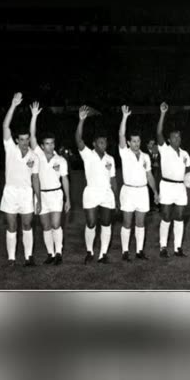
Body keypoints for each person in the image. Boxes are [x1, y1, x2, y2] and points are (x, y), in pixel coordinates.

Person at [1, 92, 41, 267]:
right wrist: (13, 105)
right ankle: (11, 258)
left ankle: (28, 257)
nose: (25, 142)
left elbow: (36, 178)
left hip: (26, 193)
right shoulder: (10, 148)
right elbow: (5, 126)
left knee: (27, 225)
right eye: (22, 139)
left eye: (27, 139)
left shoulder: (34, 157)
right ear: (16, 140)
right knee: (11, 226)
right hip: (10, 191)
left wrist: (38, 199)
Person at [75, 105, 118, 264]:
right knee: (91, 223)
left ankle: (103, 254)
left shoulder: (110, 159)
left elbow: (113, 180)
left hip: (107, 193)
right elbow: (78, 140)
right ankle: (90, 251)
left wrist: (116, 198)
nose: (103, 144)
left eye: (105, 142)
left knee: (106, 223)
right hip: (91, 192)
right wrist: (81, 120)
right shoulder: (88, 155)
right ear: (94, 144)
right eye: (100, 142)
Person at [29, 101, 71, 265]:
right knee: (45, 226)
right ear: (42, 145)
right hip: (41, 195)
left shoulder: (61, 160)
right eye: (47, 143)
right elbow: (32, 136)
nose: (50, 146)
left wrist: (68, 199)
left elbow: (65, 179)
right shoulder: (38, 155)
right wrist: (34, 116)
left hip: (56, 194)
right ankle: (50, 254)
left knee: (55, 224)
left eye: (52, 143)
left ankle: (59, 253)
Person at [118, 105, 159, 261]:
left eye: (138, 141)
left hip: (142, 192)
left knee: (141, 223)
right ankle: (125, 251)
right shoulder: (124, 153)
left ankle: (139, 251)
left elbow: (149, 176)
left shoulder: (145, 157)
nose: (136, 143)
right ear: (129, 143)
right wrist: (124, 117)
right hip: (128, 191)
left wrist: (155, 192)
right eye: (133, 141)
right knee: (127, 222)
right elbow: (121, 134)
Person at [156, 102, 190, 257]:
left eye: (179, 136)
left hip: (180, 188)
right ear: (169, 139)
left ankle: (178, 248)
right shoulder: (164, 149)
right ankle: (163, 247)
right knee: (166, 216)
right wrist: (163, 113)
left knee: (179, 217)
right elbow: (159, 132)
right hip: (166, 186)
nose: (177, 139)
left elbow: (188, 173)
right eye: (174, 137)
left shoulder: (185, 154)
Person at [146, 138, 160, 210]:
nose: (153, 145)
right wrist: (152, 165)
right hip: (148, 176)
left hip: (157, 176)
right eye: (151, 144)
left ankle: (157, 205)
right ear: (147, 144)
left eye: (154, 144)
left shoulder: (157, 152)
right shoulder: (144, 154)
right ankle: (150, 206)